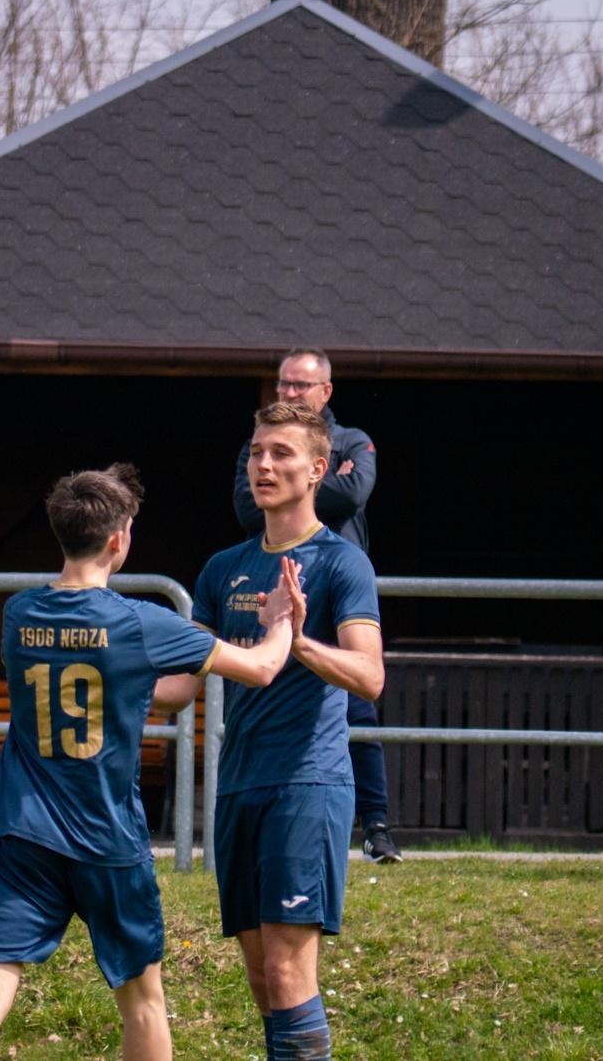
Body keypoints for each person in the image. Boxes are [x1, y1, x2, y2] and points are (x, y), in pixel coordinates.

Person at [0, 463, 303, 1061]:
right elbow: (265, 668)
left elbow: (133, 690)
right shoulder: (140, 622)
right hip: (107, 838)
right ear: (120, 540)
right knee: (143, 1001)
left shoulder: (18, 615)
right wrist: (281, 621)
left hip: (20, 832)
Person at [161, 402, 385, 1061]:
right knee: (262, 978)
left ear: (318, 469)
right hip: (238, 787)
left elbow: (370, 677)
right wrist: (106, 672)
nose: (263, 464)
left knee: (289, 971)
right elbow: (180, 685)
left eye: (281, 453)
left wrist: (293, 636)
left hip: (306, 784)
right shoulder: (221, 566)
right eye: (257, 452)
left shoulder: (343, 564)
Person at [231, 348, 401, 864]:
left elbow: (354, 495)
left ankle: (376, 827)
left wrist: (303, 487)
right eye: (283, 385)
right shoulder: (258, 441)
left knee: (357, 709)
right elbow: (244, 506)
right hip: (271, 586)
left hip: (333, 586)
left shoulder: (354, 440)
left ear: (325, 391)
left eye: (300, 386)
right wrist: (312, 481)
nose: (288, 393)